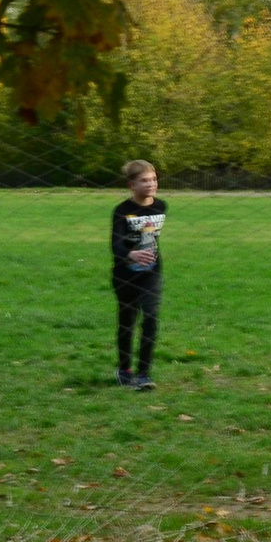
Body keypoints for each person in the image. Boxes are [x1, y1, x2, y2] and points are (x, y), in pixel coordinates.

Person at [109, 159, 166, 391]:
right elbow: (115, 246)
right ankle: (125, 370)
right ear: (132, 185)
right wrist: (132, 255)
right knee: (127, 323)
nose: (151, 184)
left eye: (153, 179)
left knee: (151, 319)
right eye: (144, 181)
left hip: (152, 273)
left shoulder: (161, 206)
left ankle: (144, 373)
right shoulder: (122, 211)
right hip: (125, 274)